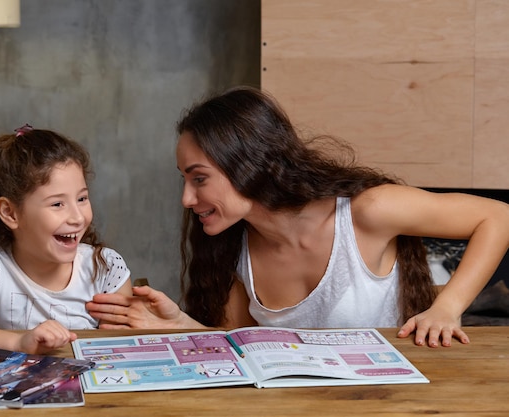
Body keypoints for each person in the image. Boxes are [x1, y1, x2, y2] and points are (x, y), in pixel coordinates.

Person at [87, 86, 509, 348]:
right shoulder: (233, 249)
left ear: (246, 165)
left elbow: (498, 217)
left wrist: (447, 307)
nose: (186, 198)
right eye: (184, 179)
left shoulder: (367, 211)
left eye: (199, 179)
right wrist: (178, 325)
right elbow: (240, 348)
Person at [0, 125, 132, 354]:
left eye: (82, 198)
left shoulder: (104, 267)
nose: (77, 217)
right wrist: (18, 343)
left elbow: (121, 343)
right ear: (10, 213)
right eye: (57, 204)